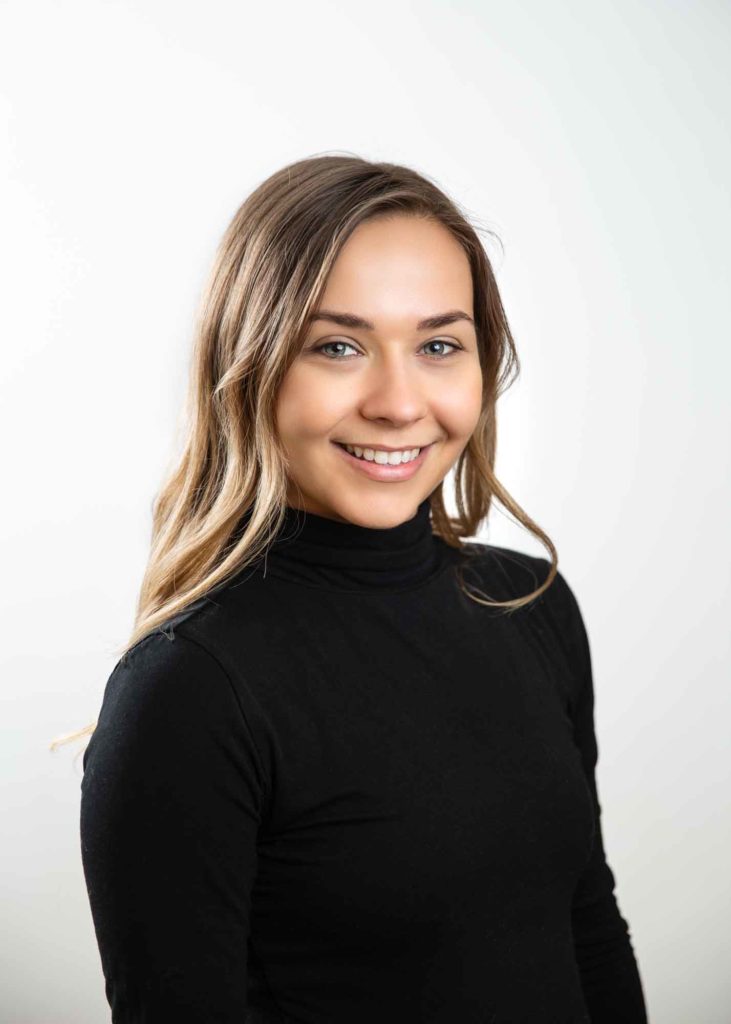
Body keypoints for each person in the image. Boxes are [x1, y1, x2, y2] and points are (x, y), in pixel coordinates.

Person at [74, 154, 648, 1022]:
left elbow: (587, 924)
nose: (397, 401)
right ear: (251, 366)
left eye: (438, 345)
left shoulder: (530, 605)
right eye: (337, 346)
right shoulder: (188, 689)